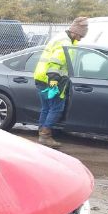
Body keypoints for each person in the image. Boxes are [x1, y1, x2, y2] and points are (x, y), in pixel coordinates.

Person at [33, 17, 89, 145]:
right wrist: (53, 80)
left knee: (46, 108)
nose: (80, 39)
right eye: (81, 36)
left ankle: (42, 133)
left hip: (41, 77)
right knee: (56, 108)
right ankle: (45, 136)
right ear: (75, 32)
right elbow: (56, 61)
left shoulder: (60, 38)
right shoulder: (65, 42)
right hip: (52, 79)